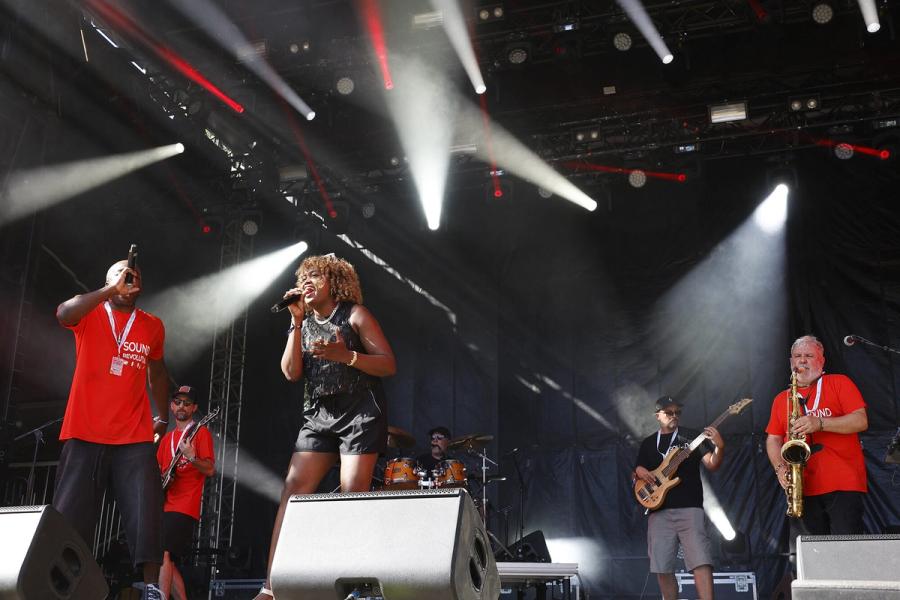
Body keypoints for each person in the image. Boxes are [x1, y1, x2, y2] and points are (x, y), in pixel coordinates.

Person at [255, 254, 397, 600]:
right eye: (304, 276)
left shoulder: (355, 315)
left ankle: (351, 584)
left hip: (360, 412)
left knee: (352, 493)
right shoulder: (302, 321)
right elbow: (291, 372)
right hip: (320, 415)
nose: (307, 281)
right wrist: (296, 322)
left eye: (316, 276)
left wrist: (346, 356)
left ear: (335, 282)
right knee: (293, 491)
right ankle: (271, 588)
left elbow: (388, 365)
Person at [54, 259, 169, 600]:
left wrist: (163, 416)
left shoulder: (152, 325)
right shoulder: (89, 312)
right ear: (108, 281)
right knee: (69, 516)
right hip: (84, 431)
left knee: (146, 510)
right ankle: (63, 586)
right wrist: (108, 290)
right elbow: (63, 313)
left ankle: (151, 588)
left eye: (134, 276)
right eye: (121, 275)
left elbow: (158, 371)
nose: (128, 279)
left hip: (133, 435)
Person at [765, 335, 868, 535]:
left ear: (822, 360)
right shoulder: (781, 399)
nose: (802, 360)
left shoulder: (839, 382)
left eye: (809, 356)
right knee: (810, 550)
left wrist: (820, 423)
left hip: (843, 482)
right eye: (797, 356)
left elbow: (861, 420)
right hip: (802, 485)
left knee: (846, 546)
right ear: (791, 362)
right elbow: (773, 439)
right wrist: (780, 468)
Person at [634, 396, 725, 600]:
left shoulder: (691, 437)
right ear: (657, 416)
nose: (674, 416)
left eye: (677, 412)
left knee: (700, 561)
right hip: (658, 511)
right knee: (662, 566)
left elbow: (712, 464)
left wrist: (719, 447)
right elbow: (637, 469)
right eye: (669, 412)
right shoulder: (649, 443)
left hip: (689, 508)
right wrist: (640, 471)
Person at [156, 385, 215, 600]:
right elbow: (159, 474)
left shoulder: (201, 433)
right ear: (172, 406)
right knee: (166, 560)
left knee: (163, 553)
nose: (182, 406)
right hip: (165, 505)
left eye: (187, 403)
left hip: (185, 506)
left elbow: (210, 469)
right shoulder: (166, 440)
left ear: (194, 408)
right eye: (178, 402)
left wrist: (191, 456)